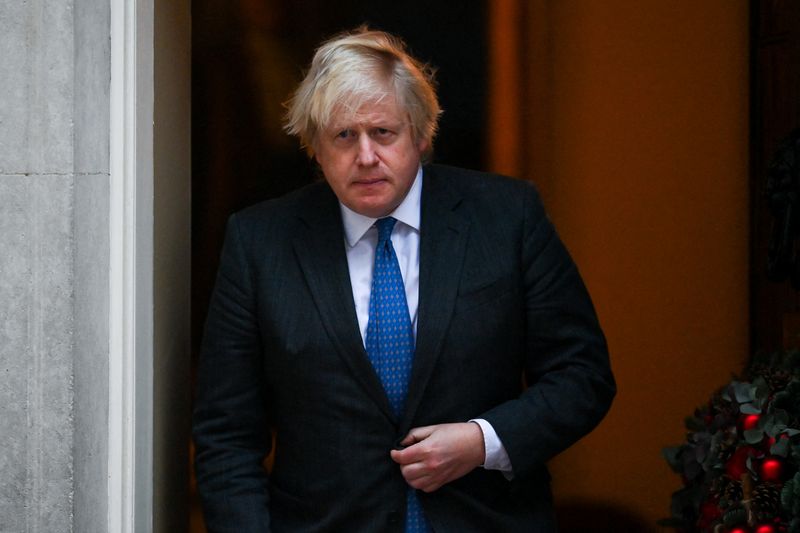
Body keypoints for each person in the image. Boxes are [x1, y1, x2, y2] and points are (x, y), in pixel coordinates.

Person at [193, 28, 615, 533]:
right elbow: (226, 436)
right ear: (315, 148)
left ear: (420, 133)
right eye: (344, 136)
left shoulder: (505, 219)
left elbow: (581, 375)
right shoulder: (260, 243)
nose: (366, 156)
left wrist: (484, 441)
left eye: (383, 133)